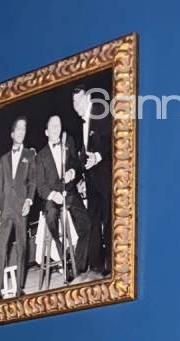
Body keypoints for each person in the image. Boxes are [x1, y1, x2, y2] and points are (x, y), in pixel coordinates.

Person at [34, 114, 89, 282]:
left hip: (69, 193)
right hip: (51, 197)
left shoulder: (68, 143)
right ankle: (63, 258)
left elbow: (77, 164)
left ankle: (76, 266)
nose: (56, 129)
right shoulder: (40, 156)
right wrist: (53, 195)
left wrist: (73, 171)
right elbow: (40, 186)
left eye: (58, 125)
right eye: (53, 126)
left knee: (87, 224)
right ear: (46, 131)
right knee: (51, 217)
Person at [0, 116, 36, 298]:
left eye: (24, 129)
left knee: (22, 247)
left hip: (21, 208)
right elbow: (0, 187)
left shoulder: (30, 155)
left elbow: (33, 181)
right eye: (18, 128)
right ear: (12, 134)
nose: (21, 131)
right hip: (5, 210)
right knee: (1, 248)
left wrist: (28, 201)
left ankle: (19, 289)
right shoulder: (3, 159)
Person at [72, 84, 110, 277]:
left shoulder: (101, 112)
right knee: (93, 221)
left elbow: (112, 139)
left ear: (87, 99)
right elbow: (84, 154)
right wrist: (78, 175)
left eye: (78, 101)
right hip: (91, 180)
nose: (76, 106)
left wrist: (98, 156)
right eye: (74, 103)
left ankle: (112, 264)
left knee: (109, 220)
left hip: (105, 177)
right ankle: (96, 265)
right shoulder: (82, 123)